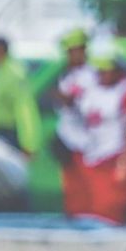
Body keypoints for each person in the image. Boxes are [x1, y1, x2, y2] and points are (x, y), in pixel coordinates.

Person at [70, 48, 126, 225]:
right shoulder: (91, 91)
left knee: (111, 206)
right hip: (93, 155)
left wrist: (125, 161)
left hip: (114, 155)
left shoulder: (125, 90)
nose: (103, 74)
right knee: (89, 206)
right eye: (100, 70)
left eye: (107, 70)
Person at [52, 28, 96, 215]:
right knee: (71, 191)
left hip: (87, 144)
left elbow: (88, 108)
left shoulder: (92, 75)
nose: (72, 55)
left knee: (89, 190)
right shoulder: (66, 75)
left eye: (75, 50)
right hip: (68, 141)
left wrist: (68, 99)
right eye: (69, 51)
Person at [0, 37, 41, 157]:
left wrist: (28, 144)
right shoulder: (0, 71)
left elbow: (25, 110)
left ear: (0, 51)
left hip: (10, 133)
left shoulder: (14, 75)